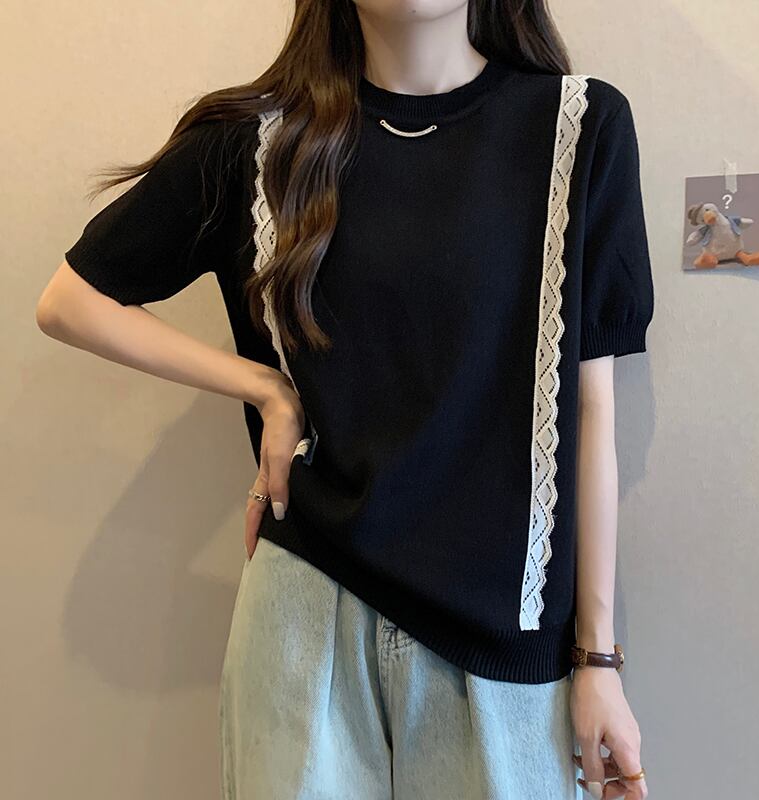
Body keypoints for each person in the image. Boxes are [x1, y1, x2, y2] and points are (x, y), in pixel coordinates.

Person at [37, 1, 654, 798]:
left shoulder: (580, 127)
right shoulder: (258, 142)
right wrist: (265, 386)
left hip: (504, 643)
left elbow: (591, 410)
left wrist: (597, 660)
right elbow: (71, 301)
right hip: (304, 611)